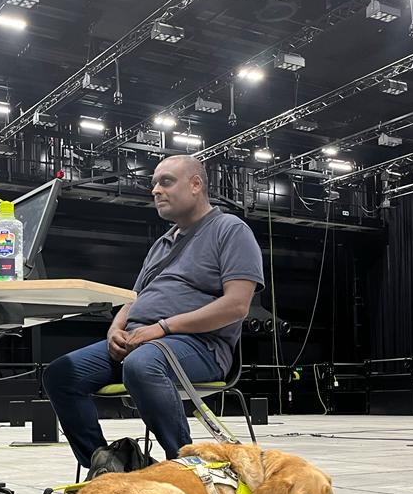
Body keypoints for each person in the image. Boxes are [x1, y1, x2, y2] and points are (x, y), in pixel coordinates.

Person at [43, 155, 264, 468]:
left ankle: (185, 466)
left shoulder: (230, 230)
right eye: (154, 184)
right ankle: (109, 466)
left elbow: (237, 305)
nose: (156, 190)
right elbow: (133, 299)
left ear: (196, 185)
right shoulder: (162, 244)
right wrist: (115, 330)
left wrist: (162, 327)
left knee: (142, 364)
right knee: (62, 374)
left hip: (199, 347)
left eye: (166, 181)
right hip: (141, 342)